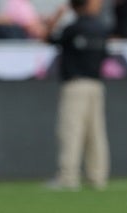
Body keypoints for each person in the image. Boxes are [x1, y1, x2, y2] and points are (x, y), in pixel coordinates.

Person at [45, 0, 110, 190]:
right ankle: (97, 177)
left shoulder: (72, 29)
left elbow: (46, 37)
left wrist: (56, 17)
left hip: (75, 85)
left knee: (71, 131)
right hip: (96, 85)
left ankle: (68, 177)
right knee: (96, 133)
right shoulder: (101, 28)